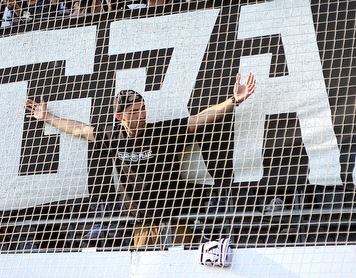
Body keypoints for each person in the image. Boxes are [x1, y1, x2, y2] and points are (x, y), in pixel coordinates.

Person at [25, 73, 257, 249]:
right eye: (134, 111)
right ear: (120, 116)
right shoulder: (112, 136)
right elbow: (79, 129)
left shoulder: (162, 132)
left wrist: (233, 101)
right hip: (144, 225)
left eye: (143, 108)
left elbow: (199, 119)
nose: (142, 114)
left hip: (176, 220)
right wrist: (47, 117)